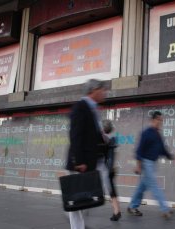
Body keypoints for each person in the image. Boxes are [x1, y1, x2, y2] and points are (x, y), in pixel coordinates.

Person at [65, 79, 107, 229]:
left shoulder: (93, 109)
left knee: (84, 198)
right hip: (80, 163)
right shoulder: (80, 107)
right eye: (102, 90)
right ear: (94, 90)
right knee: (77, 200)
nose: (104, 93)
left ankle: (76, 219)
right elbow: (75, 135)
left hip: (91, 162)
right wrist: (79, 161)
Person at [127, 111, 175, 219]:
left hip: (153, 164)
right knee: (154, 186)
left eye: (161, 120)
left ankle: (132, 206)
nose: (160, 122)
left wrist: (173, 158)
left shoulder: (158, 134)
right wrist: (138, 165)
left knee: (141, 187)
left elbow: (163, 150)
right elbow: (139, 151)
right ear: (153, 120)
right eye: (159, 119)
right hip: (146, 163)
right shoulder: (146, 133)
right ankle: (165, 209)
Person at [102, 120, 122, 221]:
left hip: (106, 168)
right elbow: (113, 154)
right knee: (111, 189)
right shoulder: (112, 139)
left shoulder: (105, 139)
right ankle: (117, 210)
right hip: (110, 167)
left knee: (110, 190)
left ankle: (117, 211)